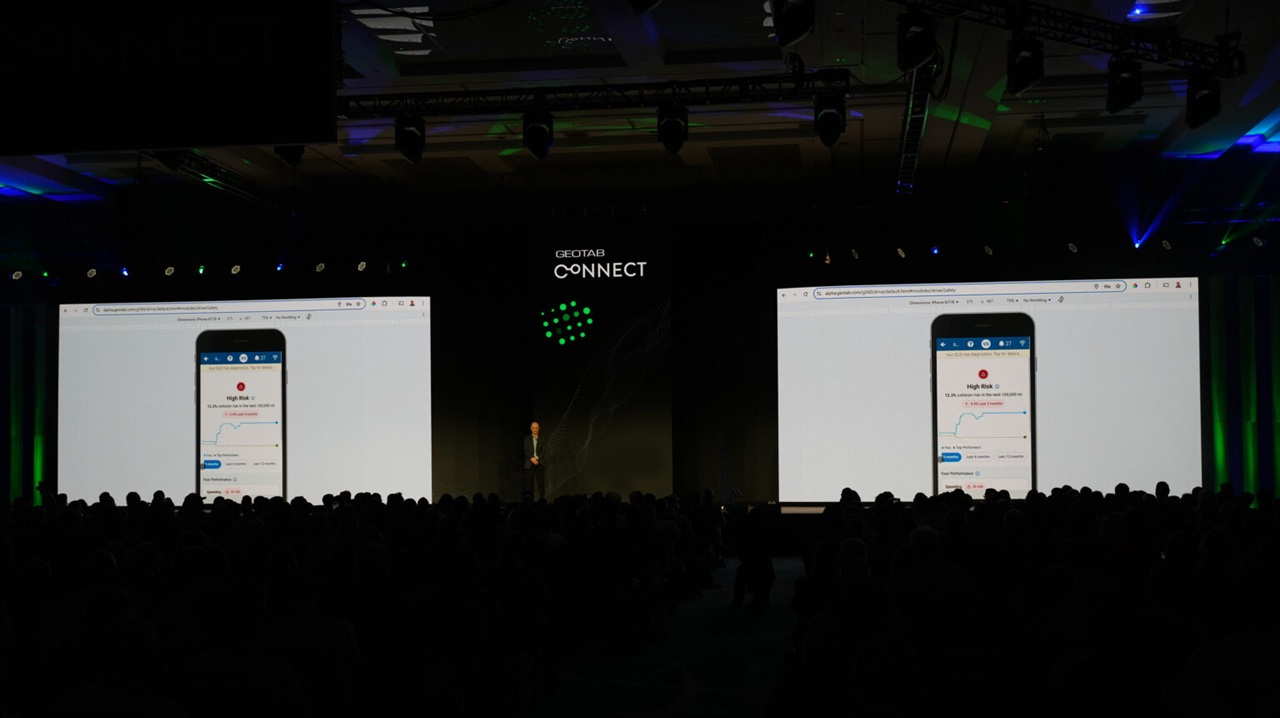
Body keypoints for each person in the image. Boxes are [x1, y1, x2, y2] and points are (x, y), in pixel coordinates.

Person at [523, 421, 545, 500]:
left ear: (538, 428)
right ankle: (530, 500)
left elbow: (543, 450)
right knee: (529, 484)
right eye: (533, 428)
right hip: (530, 463)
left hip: (539, 462)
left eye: (536, 428)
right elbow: (526, 450)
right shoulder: (527, 439)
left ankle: (542, 500)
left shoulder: (542, 438)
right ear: (531, 428)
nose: (535, 429)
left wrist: (537, 458)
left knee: (541, 483)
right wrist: (532, 458)